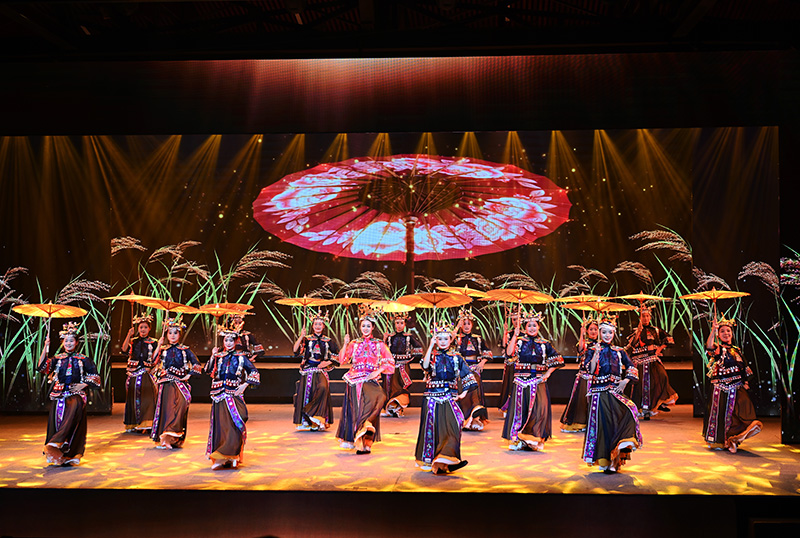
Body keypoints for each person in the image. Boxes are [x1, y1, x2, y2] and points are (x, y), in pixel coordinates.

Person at [415, 322, 476, 474]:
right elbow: (425, 366)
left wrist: (464, 392)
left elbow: (468, 375)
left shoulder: (456, 357)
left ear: (450, 340)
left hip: (449, 396)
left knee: (456, 422)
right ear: (435, 340)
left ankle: (447, 457)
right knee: (434, 429)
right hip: (432, 397)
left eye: (445, 339)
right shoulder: (432, 356)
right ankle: (438, 463)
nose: (442, 342)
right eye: (439, 339)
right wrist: (430, 346)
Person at [582, 317, 642, 473]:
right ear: (599, 333)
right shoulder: (591, 350)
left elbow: (632, 367)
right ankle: (605, 460)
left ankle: (616, 457)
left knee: (629, 412)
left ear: (614, 333)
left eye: (610, 332)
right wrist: (595, 354)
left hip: (615, 393)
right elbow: (589, 370)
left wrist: (625, 381)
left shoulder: (619, 351)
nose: (607, 335)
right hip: (599, 394)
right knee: (604, 427)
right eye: (604, 332)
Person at [37, 322, 101, 466]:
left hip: (76, 393)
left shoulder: (84, 359)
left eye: (71, 340)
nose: (69, 343)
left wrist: (84, 384)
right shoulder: (57, 358)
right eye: (66, 341)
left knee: (74, 410)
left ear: (76, 342)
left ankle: (61, 444)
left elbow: (95, 377)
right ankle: (56, 449)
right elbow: (42, 367)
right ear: (62, 342)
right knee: (57, 419)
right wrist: (45, 347)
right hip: (59, 393)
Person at [336, 305, 394, 454]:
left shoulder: (379, 344)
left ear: (373, 327)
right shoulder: (354, 344)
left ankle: (366, 429)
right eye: (363, 326)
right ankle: (362, 443)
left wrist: (377, 372)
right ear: (360, 327)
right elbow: (342, 360)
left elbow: (390, 362)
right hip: (354, 380)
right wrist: (345, 344)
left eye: (368, 326)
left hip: (370, 379)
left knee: (380, 396)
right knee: (358, 410)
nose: (366, 328)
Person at [502, 311, 564, 451]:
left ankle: (534, 438)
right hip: (521, 381)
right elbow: (509, 353)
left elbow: (558, 360)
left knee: (539, 411)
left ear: (539, 327)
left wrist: (547, 374)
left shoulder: (544, 343)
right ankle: (518, 439)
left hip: (537, 381)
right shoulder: (519, 341)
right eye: (529, 325)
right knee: (519, 411)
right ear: (525, 327)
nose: (531, 328)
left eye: (534, 325)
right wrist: (515, 335)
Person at [703, 317, 762, 453]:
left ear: (732, 333)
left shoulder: (737, 350)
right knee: (722, 416)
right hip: (721, 387)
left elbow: (744, 367)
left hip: (737, 386)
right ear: (718, 335)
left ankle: (734, 438)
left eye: (728, 331)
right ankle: (725, 441)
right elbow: (709, 346)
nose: (726, 333)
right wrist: (713, 330)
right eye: (722, 331)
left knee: (744, 409)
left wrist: (746, 382)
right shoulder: (718, 349)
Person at [204, 327, 260, 470]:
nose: (228, 343)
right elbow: (208, 370)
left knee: (236, 422)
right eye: (226, 340)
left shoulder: (241, 356)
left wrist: (245, 385)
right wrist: (212, 356)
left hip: (234, 394)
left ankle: (233, 455)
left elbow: (254, 372)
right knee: (221, 425)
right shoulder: (219, 356)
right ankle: (220, 455)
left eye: (231, 340)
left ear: (235, 342)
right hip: (218, 395)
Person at [151, 317, 202, 449]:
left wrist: (188, 376)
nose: (172, 335)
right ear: (166, 335)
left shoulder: (185, 350)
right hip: (166, 384)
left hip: (180, 384)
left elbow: (197, 365)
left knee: (181, 407)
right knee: (167, 410)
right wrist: (158, 346)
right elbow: (152, 362)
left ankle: (173, 437)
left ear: (180, 335)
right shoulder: (163, 349)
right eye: (170, 333)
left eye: (175, 333)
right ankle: (165, 437)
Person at [625, 306, 678, 419]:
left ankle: (659, 402)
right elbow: (632, 345)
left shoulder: (656, 330)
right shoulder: (635, 330)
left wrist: (660, 349)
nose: (645, 318)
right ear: (640, 318)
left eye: (647, 316)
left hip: (652, 359)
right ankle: (643, 410)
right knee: (641, 386)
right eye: (643, 316)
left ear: (650, 317)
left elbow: (669, 339)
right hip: (639, 361)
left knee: (662, 377)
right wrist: (638, 332)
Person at [292, 309, 339, 431]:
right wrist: (301, 336)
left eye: (320, 324)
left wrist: (326, 363)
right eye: (315, 324)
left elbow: (337, 357)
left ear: (323, 326)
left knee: (323, 388)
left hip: (321, 370)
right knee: (308, 394)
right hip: (308, 370)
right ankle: (309, 421)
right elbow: (295, 351)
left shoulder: (328, 340)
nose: (318, 326)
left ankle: (315, 415)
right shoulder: (307, 339)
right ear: (312, 326)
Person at [455, 307, 493, 431]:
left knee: (475, 391)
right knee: (463, 393)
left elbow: (488, 353)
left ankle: (476, 417)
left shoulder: (478, 339)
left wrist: (482, 362)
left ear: (472, 325)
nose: (466, 326)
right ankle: (465, 419)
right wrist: (456, 327)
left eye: (468, 323)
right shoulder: (456, 338)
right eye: (464, 323)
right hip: (460, 370)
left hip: (474, 369)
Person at [560, 318, 599, 433]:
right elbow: (580, 349)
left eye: (595, 329)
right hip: (584, 376)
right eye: (591, 329)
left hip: (597, 377)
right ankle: (581, 423)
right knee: (581, 401)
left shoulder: (601, 344)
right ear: (587, 331)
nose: (593, 332)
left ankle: (594, 423)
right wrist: (582, 334)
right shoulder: (585, 343)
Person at [121, 314, 158, 432]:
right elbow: (124, 350)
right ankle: (133, 423)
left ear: (149, 328)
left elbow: (156, 357)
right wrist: (129, 334)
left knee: (147, 399)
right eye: (141, 327)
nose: (143, 330)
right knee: (132, 398)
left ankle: (147, 423)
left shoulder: (153, 342)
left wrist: (152, 368)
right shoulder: (134, 341)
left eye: (145, 327)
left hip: (146, 373)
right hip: (133, 373)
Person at [382, 312, 422, 417]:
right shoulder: (390, 337)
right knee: (389, 386)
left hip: (403, 366)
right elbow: (382, 351)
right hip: (391, 366)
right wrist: (384, 339)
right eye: (397, 323)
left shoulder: (408, 337)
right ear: (394, 324)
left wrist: (410, 359)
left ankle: (399, 407)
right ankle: (390, 408)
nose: (399, 325)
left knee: (402, 386)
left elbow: (419, 349)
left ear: (405, 324)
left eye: (401, 323)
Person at [498, 307, 520, 416]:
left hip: (521, 364)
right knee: (509, 386)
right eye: (514, 320)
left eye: (518, 319)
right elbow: (504, 346)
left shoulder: (526, 334)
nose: (516, 322)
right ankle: (507, 408)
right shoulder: (509, 333)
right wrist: (505, 331)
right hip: (511, 363)